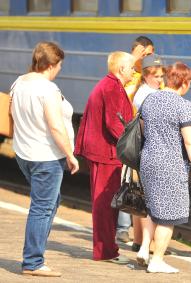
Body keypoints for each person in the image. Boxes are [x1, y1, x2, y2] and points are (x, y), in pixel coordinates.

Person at [11, 41, 79, 277]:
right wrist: (70, 154)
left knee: (50, 201)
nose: (60, 69)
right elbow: (55, 126)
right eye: (59, 65)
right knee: (41, 208)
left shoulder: (19, 82)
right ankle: (33, 261)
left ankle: (35, 254)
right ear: (51, 64)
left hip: (24, 153)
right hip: (46, 157)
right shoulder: (47, 89)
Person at [137, 62, 191, 273]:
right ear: (184, 82)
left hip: (147, 159)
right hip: (170, 164)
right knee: (168, 215)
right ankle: (157, 260)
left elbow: (141, 128)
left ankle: (143, 248)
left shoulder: (149, 99)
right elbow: (190, 142)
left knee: (152, 207)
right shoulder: (182, 105)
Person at [74, 51, 134, 264]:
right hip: (105, 153)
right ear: (121, 69)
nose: (134, 72)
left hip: (105, 152)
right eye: (131, 68)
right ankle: (106, 251)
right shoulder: (111, 87)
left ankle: (107, 249)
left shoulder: (110, 85)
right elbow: (113, 122)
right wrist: (131, 146)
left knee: (106, 203)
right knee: (105, 204)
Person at [116, 36, 155, 244]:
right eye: (146, 53)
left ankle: (138, 233)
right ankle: (123, 228)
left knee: (140, 183)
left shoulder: (149, 76)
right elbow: (119, 91)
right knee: (128, 180)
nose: (149, 57)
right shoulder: (128, 72)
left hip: (145, 133)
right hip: (131, 132)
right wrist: (133, 58)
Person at [131, 53, 165, 252]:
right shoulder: (147, 95)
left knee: (142, 196)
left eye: (161, 76)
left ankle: (138, 240)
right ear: (145, 76)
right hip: (148, 148)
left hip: (144, 148)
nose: (160, 80)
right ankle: (149, 242)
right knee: (148, 198)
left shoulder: (144, 92)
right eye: (156, 77)